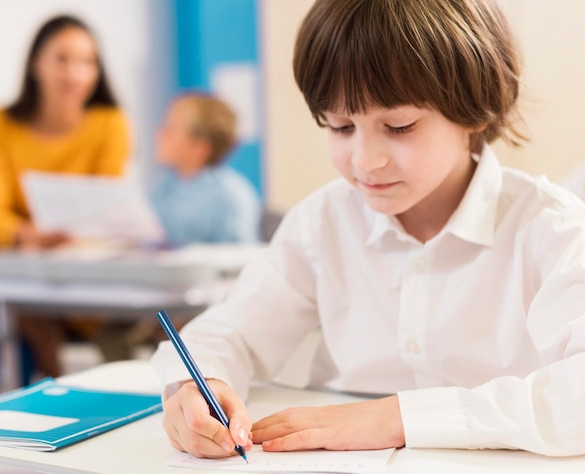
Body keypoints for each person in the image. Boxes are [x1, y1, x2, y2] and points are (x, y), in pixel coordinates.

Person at [151, 0, 585, 458]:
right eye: (340, 126)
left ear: (475, 109)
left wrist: (396, 417)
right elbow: (228, 333)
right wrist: (199, 386)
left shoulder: (550, 230)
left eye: (398, 126)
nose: (364, 161)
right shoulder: (322, 222)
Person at [0, 15, 131, 378]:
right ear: (36, 64)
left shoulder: (110, 123)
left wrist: (59, 236)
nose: (74, 73)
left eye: (86, 62)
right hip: (22, 271)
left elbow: (104, 209)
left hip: (85, 273)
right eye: (62, 59)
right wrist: (30, 235)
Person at [150, 93, 260, 245]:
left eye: (171, 129)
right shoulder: (163, 188)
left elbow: (235, 258)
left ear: (200, 148)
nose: (160, 134)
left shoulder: (229, 196)